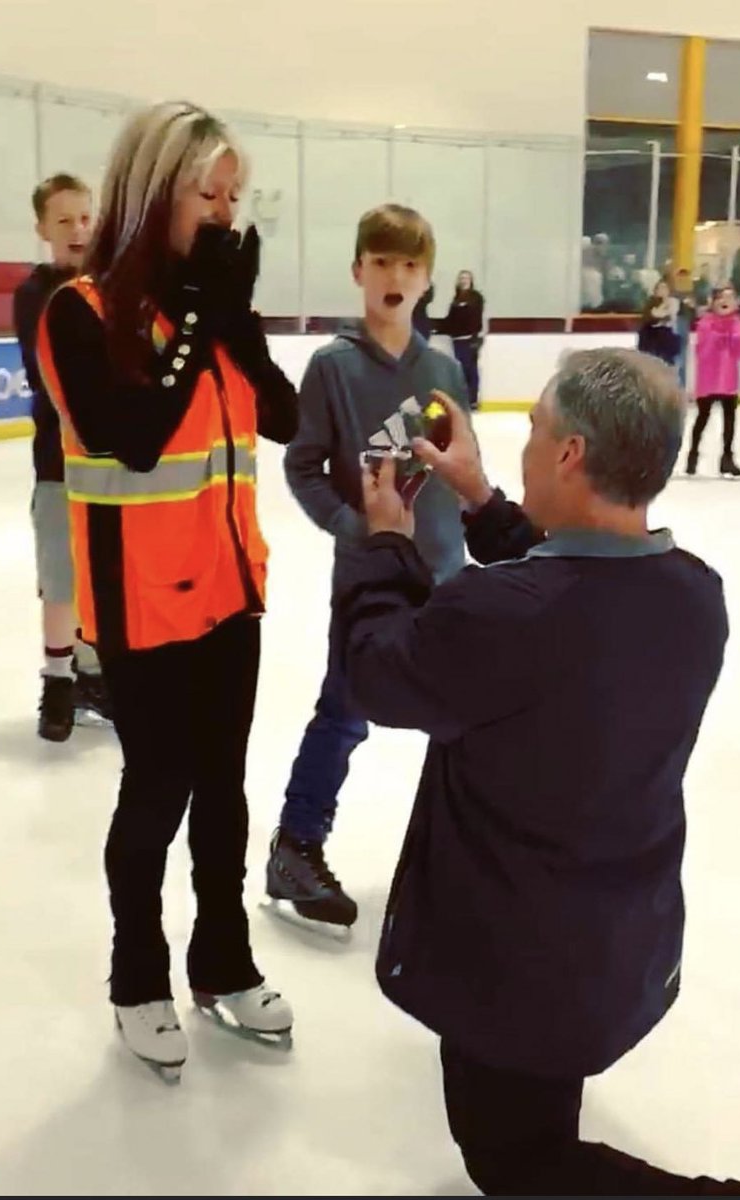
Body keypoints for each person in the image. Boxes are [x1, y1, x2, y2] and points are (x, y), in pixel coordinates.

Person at [337, 354, 740, 1198]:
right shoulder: (693, 596)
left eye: (534, 429)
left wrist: (386, 538)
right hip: (607, 939)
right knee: (539, 1116)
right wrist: (484, 502)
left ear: (569, 455)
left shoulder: (503, 620)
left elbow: (379, 670)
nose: (524, 444)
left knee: (521, 1161)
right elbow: (572, 595)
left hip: (510, 958)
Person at [36, 101, 298, 1078]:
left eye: (236, 195)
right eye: (208, 193)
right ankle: (136, 974)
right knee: (158, 793)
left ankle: (221, 962)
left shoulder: (215, 308)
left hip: (231, 594)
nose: (227, 213)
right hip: (143, 605)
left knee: (224, 792)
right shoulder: (82, 313)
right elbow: (129, 435)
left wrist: (229, 317)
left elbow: (283, 417)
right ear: (154, 193)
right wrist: (197, 317)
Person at [266, 204, 470, 932]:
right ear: (358, 272)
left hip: (445, 573)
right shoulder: (333, 368)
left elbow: (456, 465)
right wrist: (355, 530)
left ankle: (458, 859)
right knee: (345, 712)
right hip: (367, 576)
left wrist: (468, 543)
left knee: (463, 723)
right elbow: (302, 465)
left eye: (410, 265)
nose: (396, 276)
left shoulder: (444, 369)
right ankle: (296, 847)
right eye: (382, 262)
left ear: (428, 281)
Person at [14, 173, 111, 742]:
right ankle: (57, 683)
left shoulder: (110, 286)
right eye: (64, 220)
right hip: (57, 462)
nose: (78, 230)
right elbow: (50, 372)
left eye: (84, 218)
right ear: (42, 229)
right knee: (61, 579)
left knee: (99, 576)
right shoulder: (36, 294)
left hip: (105, 467)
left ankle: (93, 674)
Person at [686, 286, 740, 480]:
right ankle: (693, 455)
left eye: (730, 298)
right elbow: (703, 349)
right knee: (702, 418)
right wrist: (723, 336)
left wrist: (734, 337)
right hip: (709, 379)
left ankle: (727, 458)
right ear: (713, 302)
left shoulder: (737, 324)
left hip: (728, 380)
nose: (725, 301)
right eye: (721, 298)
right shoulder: (706, 323)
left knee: (729, 420)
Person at [443, 269, 484, 410]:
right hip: (457, 340)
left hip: (470, 340)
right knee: (461, 371)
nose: (463, 280)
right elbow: (450, 321)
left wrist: (475, 339)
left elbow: (477, 319)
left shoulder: (476, 298)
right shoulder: (456, 299)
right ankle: (463, 398)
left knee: (471, 370)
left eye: (466, 278)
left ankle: (473, 399)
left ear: (471, 280)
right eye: (461, 278)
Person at [637, 277, 680, 366]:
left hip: (667, 342)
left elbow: (674, 319)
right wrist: (661, 310)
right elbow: (650, 318)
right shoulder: (650, 304)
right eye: (659, 288)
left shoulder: (675, 303)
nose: (662, 290)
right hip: (651, 342)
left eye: (665, 288)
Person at [672, 267, 698, 391]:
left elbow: (693, 316)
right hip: (673, 327)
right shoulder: (672, 295)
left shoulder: (691, 295)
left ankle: (680, 388)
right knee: (675, 360)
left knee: (682, 360)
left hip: (683, 326)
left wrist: (692, 308)